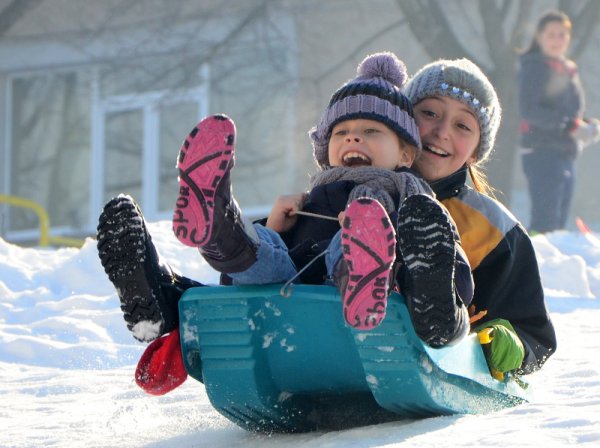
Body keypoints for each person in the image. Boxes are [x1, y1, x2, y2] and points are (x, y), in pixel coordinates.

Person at [98, 52, 473, 350]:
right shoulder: (311, 198)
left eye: (371, 131)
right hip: (289, 304)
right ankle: (219, 227)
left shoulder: (413, 200)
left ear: (406, 155)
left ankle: (361, 272)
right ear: (325, 151)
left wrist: (427, 282)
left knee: (359, 233)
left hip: (377, 309)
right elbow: (235, 287)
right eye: (342, 132)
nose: (354, 139)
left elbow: (452, 271)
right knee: (266, 249)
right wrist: (275, 228)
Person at [404, 57, 557, 374]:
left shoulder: (495, 230)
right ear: (403, 117)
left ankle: (439, 314)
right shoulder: (355, 189)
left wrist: (514, 345)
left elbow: (535, 335)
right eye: (429, 113)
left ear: (475, 151)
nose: (442, 131)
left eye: (462, 125)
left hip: (441, 364)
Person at [518, 10, 600, 234]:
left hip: (564, 153)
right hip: (542, 152)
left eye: (562, 35)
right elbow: (531, 110)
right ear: (539, 37)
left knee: (558, 222)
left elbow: (563, 111)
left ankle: (552, 266)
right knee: (545, 223)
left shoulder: (566, 68)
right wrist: (570, 126)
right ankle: (535, 264)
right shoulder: (535, 67)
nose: (557, 40)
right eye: (551, 34)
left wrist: (585, 125)